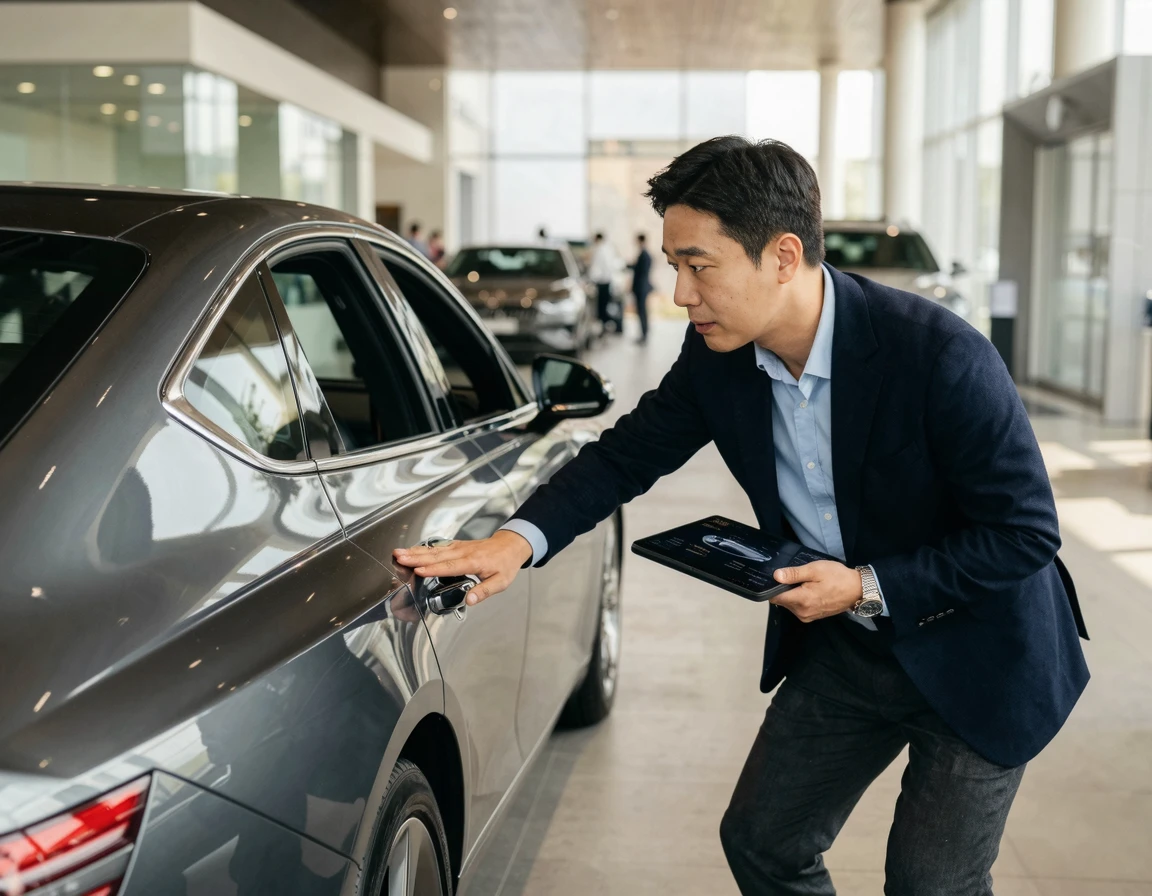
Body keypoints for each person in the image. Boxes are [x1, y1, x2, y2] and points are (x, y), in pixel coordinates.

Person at [392, 136, 1089, 896]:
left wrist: (861, 586)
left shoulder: (937, 355)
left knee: (931, 884)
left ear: (783, 256)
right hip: (852, 656)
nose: (681, 293)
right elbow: (627, 456)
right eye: (674, 265)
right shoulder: (718, 358)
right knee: (762, 842)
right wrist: (512, 543)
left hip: (978, 649)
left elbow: (1024, 534)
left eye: (700, 265)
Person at [589, 232, 622, 334]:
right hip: (606, 281)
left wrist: (592, 279)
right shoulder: (606, 249)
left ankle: (614, 324)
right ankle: (609, 326)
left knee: (603, 308)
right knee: (604, 307)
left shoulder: (601, 250)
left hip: (603, 282)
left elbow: (598, 268)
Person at [628, 232, 653, 345]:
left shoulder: (644, 255)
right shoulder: (644, 254)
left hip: (641, 287)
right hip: (642, 287)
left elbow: (639, 271)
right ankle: (644, 333)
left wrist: (630, 265)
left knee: (642, 311)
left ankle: (644, 334)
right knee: (642, 311)